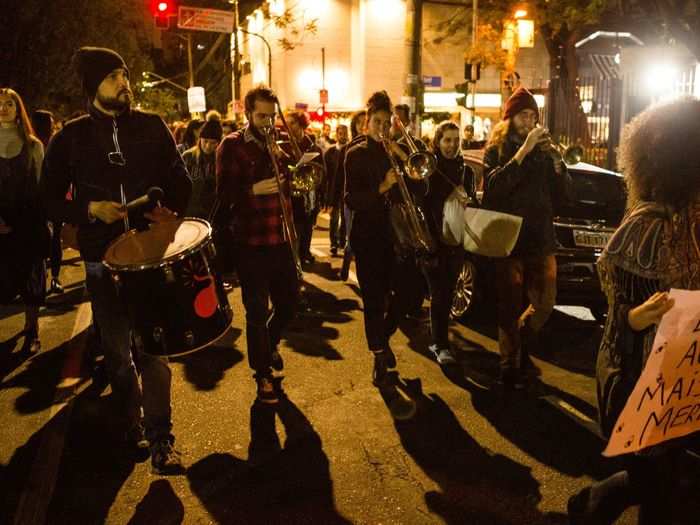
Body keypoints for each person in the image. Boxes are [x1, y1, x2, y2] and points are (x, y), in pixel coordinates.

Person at [41, 47, 192, 474]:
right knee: (118, 354)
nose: (124, 83)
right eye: (113, 77)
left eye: (125, 75)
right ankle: (132, 422)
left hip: (149, 259)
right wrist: (88, 212)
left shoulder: (152, 127)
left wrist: (171, 210)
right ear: (93, 86)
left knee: (155, 351)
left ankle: (162, 436)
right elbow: (48, 199)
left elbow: (180, 180)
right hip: (102, 266)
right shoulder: (69, 138)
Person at [567, 98, 700, 525]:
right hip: (653, 383)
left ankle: (593, 502)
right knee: (659, 487)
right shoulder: (647, 226)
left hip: (689, 381)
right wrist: (634, 317)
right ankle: (591, 504)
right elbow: (619, 311)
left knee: (668, 482)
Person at [482, 86, 572, 389]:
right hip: (509, 239)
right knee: (508, 304)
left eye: (533, 116)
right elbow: (493, 188)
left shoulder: (543, 155)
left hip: (541, 239)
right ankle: (509, 365)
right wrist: (523, 152)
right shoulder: (497, 150)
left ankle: (520, 341)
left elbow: (564, 196)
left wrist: (559, 165)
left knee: (546, 302)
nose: (529, 121)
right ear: (510, 118)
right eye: (524, 115)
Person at [216, 85, 299, 404]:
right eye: (261, 116)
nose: (267, 122)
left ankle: (269, 343)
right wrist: (253, 190)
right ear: (248, 114)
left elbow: (291, 186)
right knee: (255, 310)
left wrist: (291, 167)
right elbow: (223, 195)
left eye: (271, 116)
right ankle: (262, 373)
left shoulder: (278, 145)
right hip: (250, 242)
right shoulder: (232, 145)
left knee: (289, 303)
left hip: (280, 239)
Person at [345, 90, 427, 390]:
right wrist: (382, 186)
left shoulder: (398, 151)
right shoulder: (355, 154)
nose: (382, 127)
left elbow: (421, 193)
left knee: (409, 292)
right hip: (368, 238)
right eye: (376, 121)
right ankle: (379, 357)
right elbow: (352, 199)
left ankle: (383, 337)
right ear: (367, 122)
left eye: (386, 122)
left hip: (398, 238)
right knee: (373, 301)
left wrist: (410, 167)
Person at [423, 121, 475, 365]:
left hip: (456, 240)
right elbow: (422, 202)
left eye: (456, 140)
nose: (452, 145)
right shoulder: (429, 168)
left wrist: (468, 201)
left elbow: (472, 204)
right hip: (433, 239)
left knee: (446, 292)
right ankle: (440, 344)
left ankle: (438, 338)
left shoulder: (468, 172)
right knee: (439, 293)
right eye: (447, 140)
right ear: (438, 141)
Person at [0, 88, 48, 354]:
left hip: (29, 222)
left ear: (18, 108)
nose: (3, 108)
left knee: (32, 278)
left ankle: (32, 329)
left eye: (9, 103)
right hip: (1, 222)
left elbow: (41, 186)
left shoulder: (33, 145)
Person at [32, 109, 65, 294]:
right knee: (51, 240)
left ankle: (51, 278)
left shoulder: (54, 141)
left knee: (52, 238)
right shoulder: (33, 143)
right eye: (50, 122)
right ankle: (51, 278)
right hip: (45, 198)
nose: (53, 125)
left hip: (52, 197)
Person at [285, 111, 324, 265]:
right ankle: (296, 258)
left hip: (309, 195)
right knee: (296, 228)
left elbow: (321, 172)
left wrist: (321, 194)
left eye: (292, 123)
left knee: (308, 226)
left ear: (301, 124)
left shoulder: (312, 146)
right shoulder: (284, 145)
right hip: (291, 194)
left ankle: (305, 252)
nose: (289, 127)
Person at [339, 110, 366, 281]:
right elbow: (339, 178)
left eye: (366, 122)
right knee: (352, 236)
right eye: (360, 123)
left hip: (369, 200)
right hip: (352, 200)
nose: (363, 126)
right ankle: (347, 261)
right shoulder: (350, 148)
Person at [183, 119, 222, 219]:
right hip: (190, 212)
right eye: (205, 141)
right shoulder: (188, 157)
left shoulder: (221, 159)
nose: (208, 146)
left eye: (213, 143)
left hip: (212, 214)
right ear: (200, 139)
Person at [322, 123, 349, 256]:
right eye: (340, 133)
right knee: (334, 218)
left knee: (345, 218)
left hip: (347, 190)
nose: (343, 135)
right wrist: (326, 196)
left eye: (345, 133)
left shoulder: (351, 150)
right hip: (334, 190)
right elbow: (326, 176)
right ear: (336, 134)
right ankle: (333, 243)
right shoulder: (330, 152)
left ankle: (342, 241)